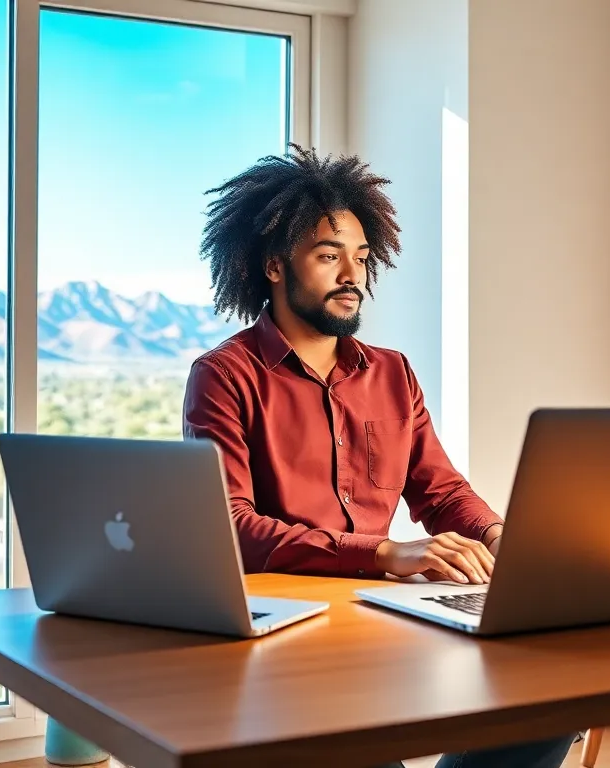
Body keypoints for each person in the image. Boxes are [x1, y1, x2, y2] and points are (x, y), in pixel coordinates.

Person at [182, 144, 578, 768]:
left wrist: (507, 542)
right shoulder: (225, 376)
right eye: (328, 255)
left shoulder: (392, 374)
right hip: (285, 629)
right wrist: (386, 553)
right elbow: (232, 527)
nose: (352, 276)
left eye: (362, 258)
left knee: (558, 689)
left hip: (386, 615)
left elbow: (441, 492)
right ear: (275, 265)